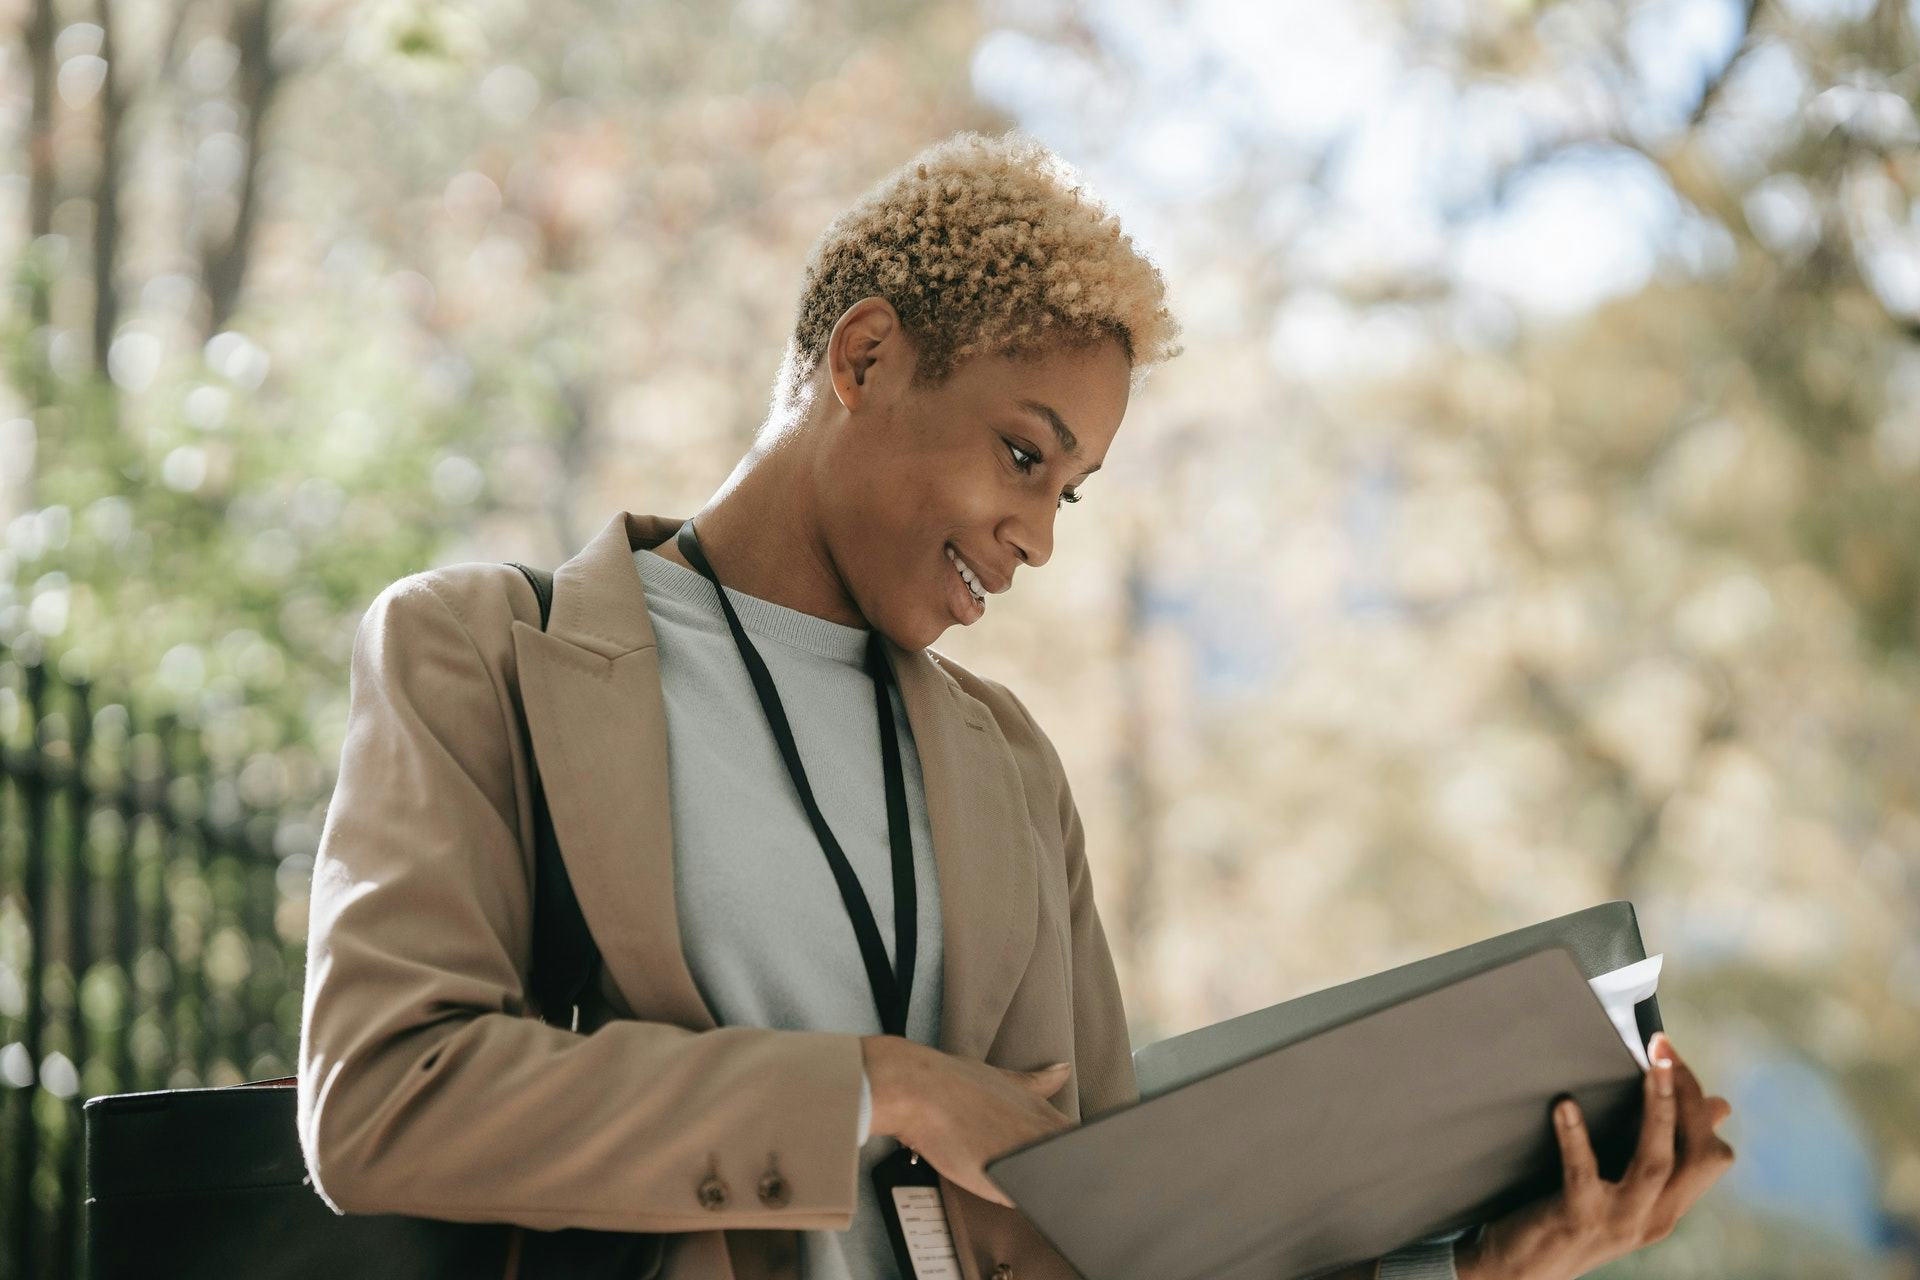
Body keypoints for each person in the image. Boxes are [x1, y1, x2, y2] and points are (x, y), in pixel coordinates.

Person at [296, 130, 1735, 1280]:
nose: (1040, 535)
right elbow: (382, 1102)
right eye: (1023, 456)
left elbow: (1123, 1235)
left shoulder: (1009, 768)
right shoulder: (484, 652)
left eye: (1071, 491)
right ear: (864, 361)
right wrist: (886, 1087)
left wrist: (1485, 1265)